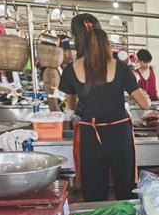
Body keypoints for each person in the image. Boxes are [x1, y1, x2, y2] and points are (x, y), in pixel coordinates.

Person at [59, 13, 150, 202]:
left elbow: (71, 106)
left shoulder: (70, 70)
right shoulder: (122, 68)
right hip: (119, 134)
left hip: (90, 135)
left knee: (94, 191)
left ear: (77, 39)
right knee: (125, 189)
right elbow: (144, 104)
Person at [42, 35, 74, 111]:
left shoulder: (66, 69)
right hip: (62, 119)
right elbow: (52, 103)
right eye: (66, 50)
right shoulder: (52, 72)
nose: (70, 53)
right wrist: (60, 122)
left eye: (70, 50)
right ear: (57, 52)